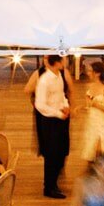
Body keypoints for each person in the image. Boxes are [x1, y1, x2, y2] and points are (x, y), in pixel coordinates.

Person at [35, 53, 71, 198]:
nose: (65, 61)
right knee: (51, 154)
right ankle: (49, 187)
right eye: (63, 59)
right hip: (50, 121)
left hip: (60, 117)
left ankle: (54, 183)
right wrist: (57, 113)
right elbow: (40, 104)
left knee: (61, 152)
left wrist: (66, 105)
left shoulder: (59, 75)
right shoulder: (44, 80)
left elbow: (61, 94)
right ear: (57, 62)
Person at [82, 60, 104, 159]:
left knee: (100, 150)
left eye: (90, 71)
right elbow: (89, 106)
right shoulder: (89, 87)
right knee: (91, 150)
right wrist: (80, 108)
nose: (88, 73)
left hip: (102, 122)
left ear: (97, 73)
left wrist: (99, 106)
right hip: (91, 122)